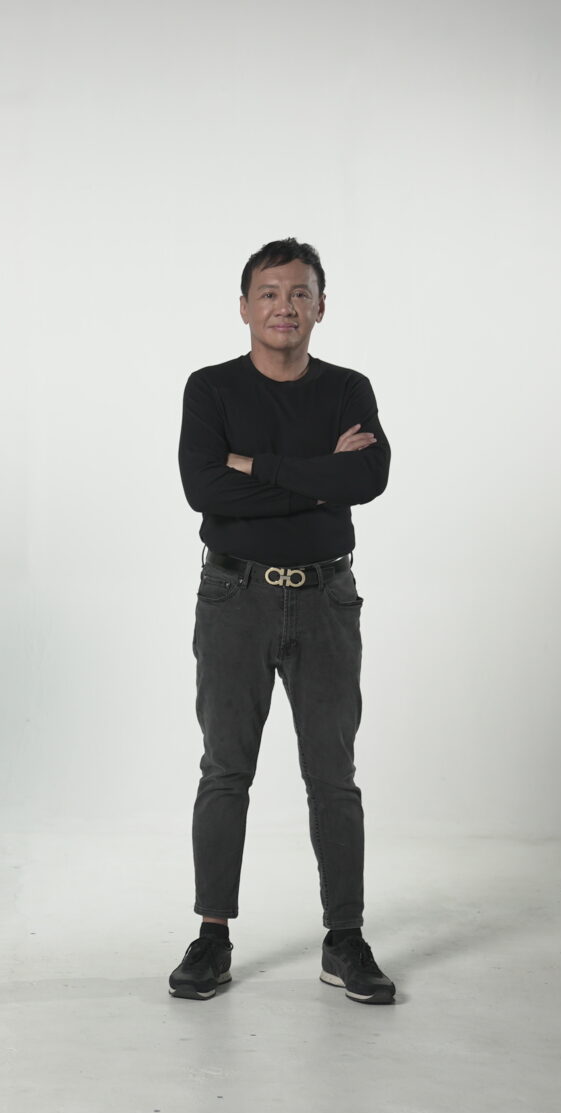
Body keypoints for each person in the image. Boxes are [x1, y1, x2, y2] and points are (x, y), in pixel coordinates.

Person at [171, 238, 396, 1004]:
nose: (284, 307)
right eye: (269, 293)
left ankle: (345, 938)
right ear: (244, 307)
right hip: (234, 596)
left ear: (321, 306)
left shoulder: (348, 388)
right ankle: (212, 936)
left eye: (300, 293)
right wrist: (319, 477)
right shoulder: (211, 389)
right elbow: (204, 488)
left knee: (333, 774)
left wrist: (256, 466)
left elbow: (369, 475)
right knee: (225, 768)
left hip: (327, 598)